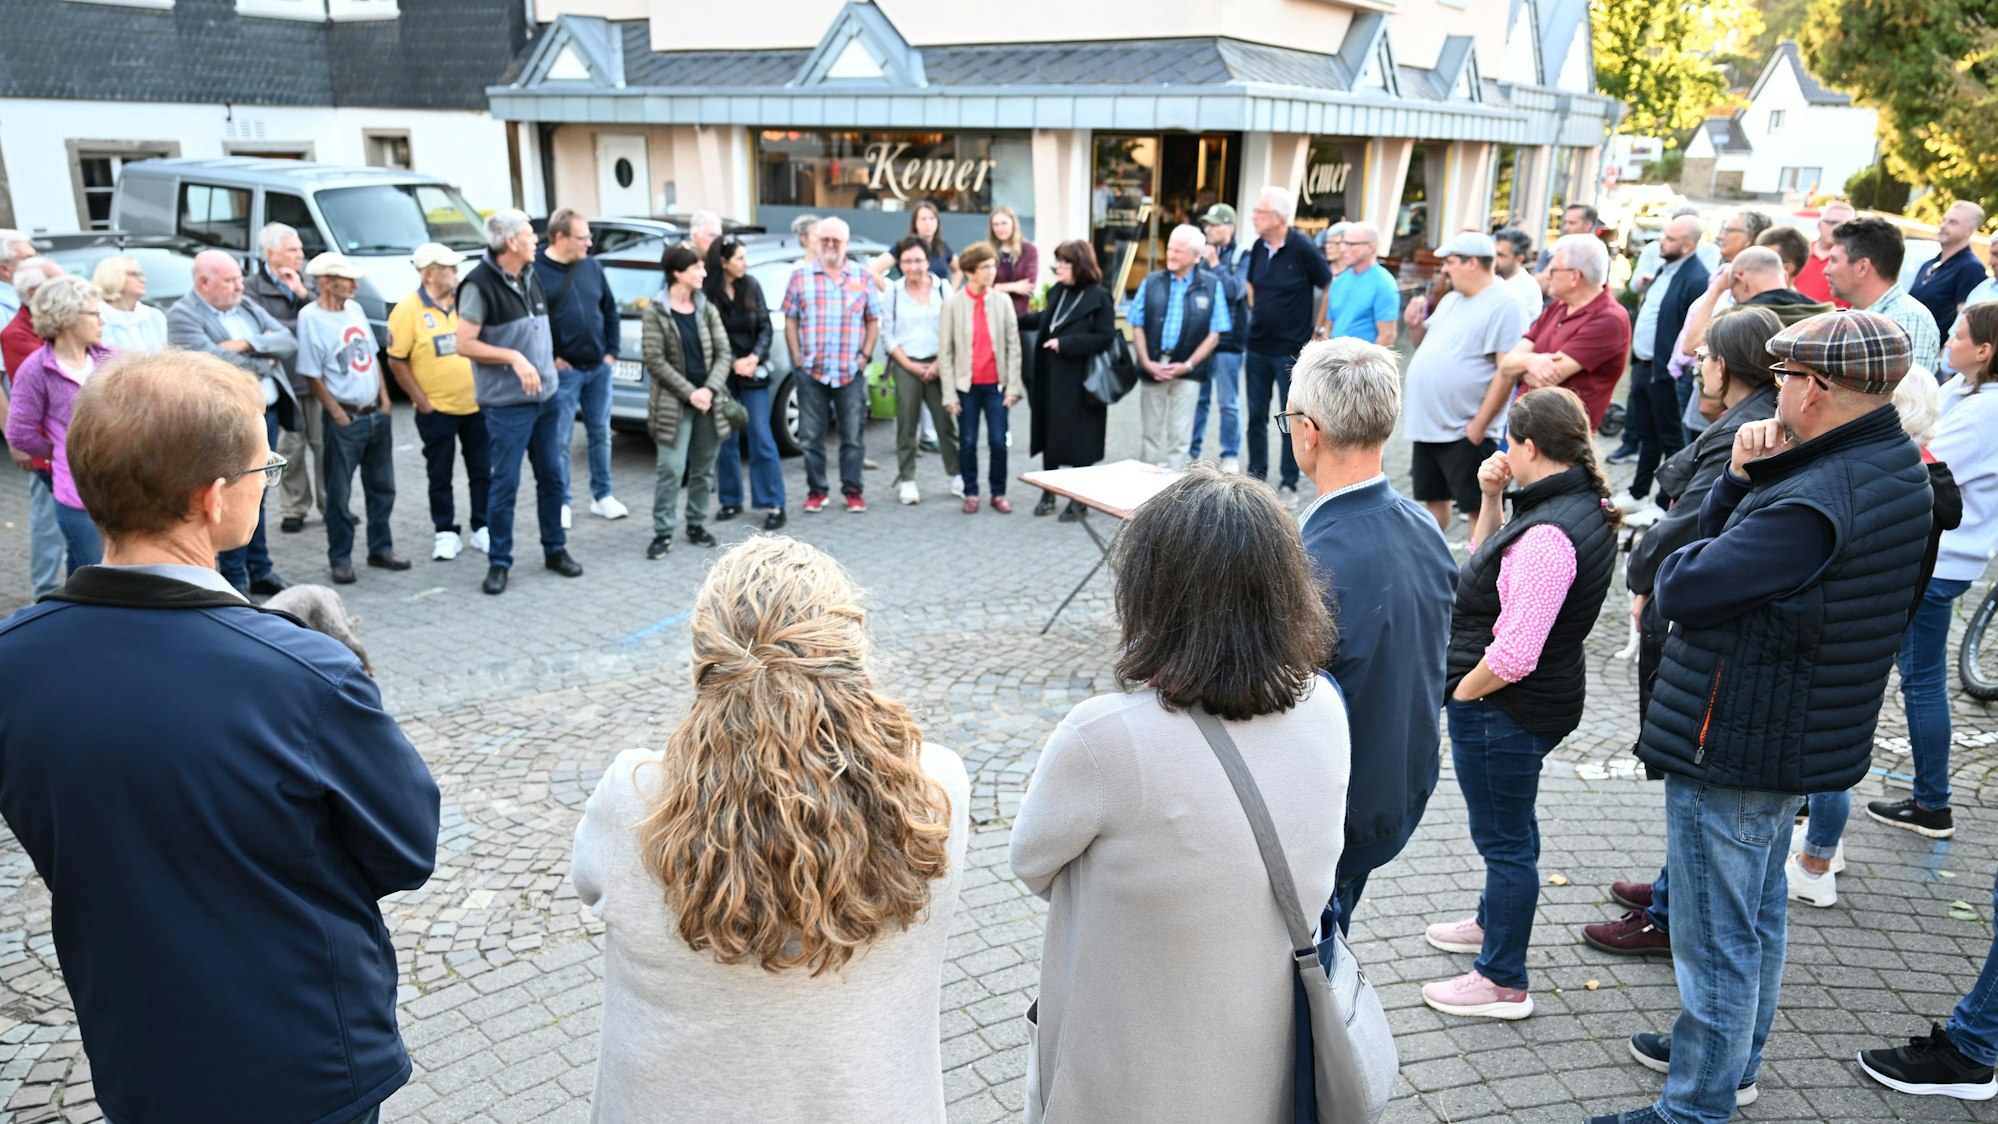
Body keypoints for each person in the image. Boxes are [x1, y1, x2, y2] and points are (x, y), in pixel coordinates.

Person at [0, 349, 439, 1124]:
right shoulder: (301, 674)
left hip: (136, 1045)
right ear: (212, 500)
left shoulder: (14, 658)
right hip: (298, 1055)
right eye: (263, 470)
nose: (267, 481)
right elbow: (406, 849)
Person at [1590, 310, 1934, 1124]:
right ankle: (1730, 1062)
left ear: (1815, 389)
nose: (1772, 389)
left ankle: (1697, 1106)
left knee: (1718, 941)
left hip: (1741, 738)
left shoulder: (1815, 495)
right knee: (1753, 919)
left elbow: (1681, 584)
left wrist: (1740, 486)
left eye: (1783, 376)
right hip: (1788, 728)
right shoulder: (1888, 461)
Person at [572, 535, 967, 1120]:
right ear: (851, 651)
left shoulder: (632, 797)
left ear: (705, 659)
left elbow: (590, 884)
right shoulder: (935, 787)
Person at [1011, 465, 1350, 1121]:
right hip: (1262, 1038)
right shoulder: (1325, 706)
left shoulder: (1106, 738)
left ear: (1151, 592)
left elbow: (1031, 862)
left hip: (1131, 1062)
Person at [1582, 307, 1783, 960]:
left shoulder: (1746, 433)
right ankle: (1671, 890)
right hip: (1696, 597)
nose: (1698, 366)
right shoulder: (1739, 422)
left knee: (1691, 778)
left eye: (1706, 358)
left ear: (1731, 365)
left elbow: (1695, 519)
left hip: (1700, 610)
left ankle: (1671, 916)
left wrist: (1641, 570)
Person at [1421, 387, 1618, 1021]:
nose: (1503, 451)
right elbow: (1486, 565)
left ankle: (1502, 979)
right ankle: (1490, 923)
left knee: (1505, 842)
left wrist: (1461, 691)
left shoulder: (1550, 534)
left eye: (1509, 441)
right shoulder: (1570, 504)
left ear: (1529, 447)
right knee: (1513, 828)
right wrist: (1490, 498)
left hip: (1507, 707)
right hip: (1536, 699)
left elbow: (1513, 655)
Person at [1288, 339, 1455, 930]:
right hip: (1395, 789)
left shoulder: (1309, 558)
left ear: (1308, 432)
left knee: (1307, 974)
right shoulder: (1424, 527)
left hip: (1331, 817)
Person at [1861, 302, 1998, 840]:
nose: (1948, 338)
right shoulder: (1965, 393)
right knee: (1919, 676)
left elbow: (1921, 458)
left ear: (1984, 350)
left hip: (1941, 560)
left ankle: (1932, 802)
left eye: (1959, 334)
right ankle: (1930, 797)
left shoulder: (1987, 411)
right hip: (1938, 554)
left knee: (1920, 680)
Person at [456, 209, 584, 596]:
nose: (536, 240)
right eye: (530, 234)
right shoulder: (477, 284)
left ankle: (555, 549)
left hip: (546, 398)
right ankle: (499, 562)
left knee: (552, 477)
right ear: (511, 242)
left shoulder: (531, 274)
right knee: (506, 485)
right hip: (507, 405)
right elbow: (464, 343)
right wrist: (514, 357)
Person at [167, 250, 298, 598]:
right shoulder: (181, 314)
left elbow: (286, 339)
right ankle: (234, 579)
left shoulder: (246, 306)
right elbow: (210, 358)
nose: (239, 286)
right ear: (203, 282)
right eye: (229, 281)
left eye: (239, 279)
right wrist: (263, 359)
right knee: (233, 496)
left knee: (260, 494)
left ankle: (261, 570)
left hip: (265, 416)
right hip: (229, 423)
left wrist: (247, 344)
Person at [1402, 231, 1530, 532]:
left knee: (1477, 508)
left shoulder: (1506, 302)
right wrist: (1414, 325)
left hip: (1464, 429)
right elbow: (1424, 344)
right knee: (1433, 501)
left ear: (1473, 262)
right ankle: (1434, 570)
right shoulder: (1452, 299)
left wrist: (1480, 425)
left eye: (1450, 262)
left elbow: (1507, 370)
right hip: (1430, 426)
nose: (1445, 269)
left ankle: (1479, 576)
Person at [296, 252, 403, 585]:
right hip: (346, 418)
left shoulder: (354, 309)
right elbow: (312, 374)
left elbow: (371, 357)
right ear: (327, 282)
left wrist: (385, 400)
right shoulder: (310, 318)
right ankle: (340, 557)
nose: (355, 285)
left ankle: (380, 548)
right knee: (339, 493)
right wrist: (337, 413)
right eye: (348, 280)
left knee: (382, 486)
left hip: (375, 413)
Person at [387, 242, 491, 562]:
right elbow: (396, 360)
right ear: (429, 274)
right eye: (450, 269)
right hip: (437, 410)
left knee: (482, 469)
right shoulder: (407, 310)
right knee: (440, 473)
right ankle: (445, 532)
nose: (457, 274)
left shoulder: (466, 302)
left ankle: (483, 526)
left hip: (477, 405)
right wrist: (420, 399)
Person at [3, 276, 112, 571]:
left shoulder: (112, 360)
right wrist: (64, 450)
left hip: (122, 490)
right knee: (93, 573)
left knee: (126, 573)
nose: (102, 320)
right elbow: (20, 433)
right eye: (94, 313)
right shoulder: (36, 369)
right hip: (76, 497)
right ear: (67, 318)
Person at [532, 207, 628, 525]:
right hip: (565, 372)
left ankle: (602, 496)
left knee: (601, 433)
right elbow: (533, 324)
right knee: (559, 440)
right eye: (583, 237)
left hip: (598, 368)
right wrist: (551, 359)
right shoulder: (535, 271)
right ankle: (562, 502)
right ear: (560, 237)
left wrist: (611, 352)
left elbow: (609, 310)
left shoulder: (591, 267)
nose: (589, 243)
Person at [781, 215, 881, 514]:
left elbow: (873, 319)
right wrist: (797, 356)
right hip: (812, 372)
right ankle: (817, 491)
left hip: (850, 371)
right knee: (811, 437)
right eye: (825, 239)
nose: (830, 245)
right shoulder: (801, 276)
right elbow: (790, 317)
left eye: (836, 240)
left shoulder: (862, 277)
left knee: (852, 437)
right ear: (816, 241)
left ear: (845, 243)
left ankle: (853, 490)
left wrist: (864, 356)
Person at [641, 243, 733, 559]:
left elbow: (724, 352)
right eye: (697, 267)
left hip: (709, 401)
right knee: (671, 467)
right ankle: (663, 531)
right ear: (677, 272)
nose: (704, 273)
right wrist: (690, 392)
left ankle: (695, 523)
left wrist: (708, 390)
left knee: (704, 468)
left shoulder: (706, 308)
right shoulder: (656, 311)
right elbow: (654, 359)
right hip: (674, 403)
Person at [1244, 185, 1334, 504]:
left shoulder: (1303, 247)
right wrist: (1258, 311)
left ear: (1278, 218)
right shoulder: (1257, 247)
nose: (1253, 217)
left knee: (1289, 417)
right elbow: (1251, 282)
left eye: (1259, 212)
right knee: (1255, 414)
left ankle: (1289, 481)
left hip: (1290, 350)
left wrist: (1319, 328)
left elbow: (1328, 282)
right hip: (1256, 346)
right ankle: (1256, 475)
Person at [1019, 239, 1117, 520]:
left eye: (1065, 262)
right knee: (1051, 435)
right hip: (1051, 379)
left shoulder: (1099, 297)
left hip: (1082, 383)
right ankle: (1049, 491)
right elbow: (1046, 320)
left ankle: (1079, 499)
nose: (1058, 267)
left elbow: (1105, 337)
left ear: (1080, 265)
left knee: (1079, 440)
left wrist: (1066, 344)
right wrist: (1014, 320)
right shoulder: (1058, 292)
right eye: (1058, 261)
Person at [1621, 215, 1710, 519]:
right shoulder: (1665, 268)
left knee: (1671, 439)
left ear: (1687, 245)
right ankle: (1637, 492)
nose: (1662, 241)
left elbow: (1691, 327)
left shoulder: (1697, 277)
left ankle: (1664, 504)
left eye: (1670, 239)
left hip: (1667, 373)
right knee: (1647, 434)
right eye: (1664, 236)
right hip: (1645, 365)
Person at [1497, 233, 1632, 431]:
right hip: (1526, 430)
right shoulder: (1558, 307)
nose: (1545, 275)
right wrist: (1530, 362)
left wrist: (1522, 365)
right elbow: (1506, 364)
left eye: (1553, 270)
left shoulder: (1610, 319)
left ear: (1574, 276)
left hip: (1559, 444)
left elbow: (1544, 378)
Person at [243, 221, 325, 536]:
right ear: (271, 252)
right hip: (282, 380)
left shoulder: (308, 283)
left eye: (301, 249)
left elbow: (320, 320)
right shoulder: (251, 287)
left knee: (323, 446)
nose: (300, 255)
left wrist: (302, 295)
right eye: (293, 250)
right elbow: (261, 333)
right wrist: (293, 329)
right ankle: (294, 509)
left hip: (315, 377)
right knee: (290, 449)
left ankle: (330, 506)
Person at [1128, 224, 1229, 469]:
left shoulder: (1212, 286)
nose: (1171, 255)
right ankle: (1143, 497)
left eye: (1178, 251)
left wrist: (1188, 365)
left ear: (1196, 256)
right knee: (1150, 436)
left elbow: (1215, 334)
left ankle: (1174, 501)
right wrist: (1145, 361)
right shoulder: (1152, 282)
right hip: (1153, 366)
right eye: (1170, 249)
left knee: (1180, 440)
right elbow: (1137, 324)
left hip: (1188, 372)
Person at [705, 233, 787, 530]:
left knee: (761, 435)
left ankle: (774, 502)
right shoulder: (707, 293)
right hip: (723, 375)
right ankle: (730, 499)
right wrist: (730, 362)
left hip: (753, 372)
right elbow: (710, 337)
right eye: (739, 258)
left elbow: (765, 325)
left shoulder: (752, 285)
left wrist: (754, 357)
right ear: (723, 262)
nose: (745, 263)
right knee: (726, 437)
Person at [938, 241, 1023, 513]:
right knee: (967, 441)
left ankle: (998, 493)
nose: (992, 271)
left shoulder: (1002, 301)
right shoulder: (952, 305)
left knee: (998, 441)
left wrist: (1013, 387)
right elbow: (946, 352)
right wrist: (949, 393)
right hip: (966, 386)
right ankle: (971, 491)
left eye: (993, 265)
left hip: (997, 385)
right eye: (985, 267)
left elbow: (1013, 346)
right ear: (970, 271)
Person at [2, 258, 69, 601]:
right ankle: (47, 593)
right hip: (49, 450)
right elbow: (61, 380)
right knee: (49, 520)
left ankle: (74, 587)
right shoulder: (18, 334)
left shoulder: (52, 327)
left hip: (67, 447)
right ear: (32, 292)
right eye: (58, 284)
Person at [881, 234, 958, 507]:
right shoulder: (893, 291)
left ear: (928, 261)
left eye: (919, 260)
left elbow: (953, 330)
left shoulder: (942, 288)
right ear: (900, 263)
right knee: (907, 424)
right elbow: (887, 335)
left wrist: (938, 364)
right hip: (907, 364)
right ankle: (908, 480)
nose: (913, 266)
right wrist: (911, 365)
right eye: (907, 261)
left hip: (939, 363)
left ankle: (957, 475)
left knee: (946, 423)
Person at [1823, 215, 1942, 371]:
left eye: (1833, 260)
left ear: (1862, 267)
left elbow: (1906, 394)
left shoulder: (1905, 320)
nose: (1826, 270)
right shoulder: (1860, 315)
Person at [1190, 203, 1249, 470]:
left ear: (1229, 227)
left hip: (1229, 342)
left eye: (1214, 225)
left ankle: (1230, 454)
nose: (1208, 229)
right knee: (1198, 399)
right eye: (1207, 224)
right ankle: (1192, 452)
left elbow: (1236, 290)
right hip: (1202, 340)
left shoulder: (1241, 255)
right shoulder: (1199, 256)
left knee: (1228, 402)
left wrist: (1215, 264)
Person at [1910, 200, 1990, 337]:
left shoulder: (1971, 268)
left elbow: (1966, 322)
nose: (1943, 226)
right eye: (1943, 220)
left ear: (1970, 230)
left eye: (1953, 222)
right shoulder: (1929, 264)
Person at [1324, 222, 1399, 347]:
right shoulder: (1340, 280)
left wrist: (1367, 366)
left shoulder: (1384, 283)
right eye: (1343, 243)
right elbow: (1329, 325)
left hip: (1360, 363)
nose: (1343, 249)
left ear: (1370, 247)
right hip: (1334, 359)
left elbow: (1387, 336)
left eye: (1350, 244)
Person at [90, 255, 167, 353]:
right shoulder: (98, 318)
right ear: (112, 277)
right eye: (133, 274)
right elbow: (108, 359)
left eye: (141, 274)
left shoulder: (155, 316)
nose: (143, 280)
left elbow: (165, 357)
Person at [1793, 199, 1855, 308]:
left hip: (1835, 322)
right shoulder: (1798, 251)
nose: (1836, 228)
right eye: (1831, 222)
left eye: (1844, 225)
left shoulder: (1855, 261)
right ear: (1819, 224)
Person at [987, 204, 1038, 321]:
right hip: (993, 313)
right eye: (996, 224)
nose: (1000, 228)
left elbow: (1030, 285)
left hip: (1020, 316)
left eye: (1004, 223)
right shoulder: (987, 251)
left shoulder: (1029, 250)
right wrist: (1014, 286)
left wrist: (997, 287)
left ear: (1013, 223)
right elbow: (981, 285)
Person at [1494, 227, 1545, 321]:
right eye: (1494, 253)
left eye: (1501, 255)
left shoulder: (1526, 287)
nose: (1494, 259)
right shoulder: (1496, 277)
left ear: (1519, 259)